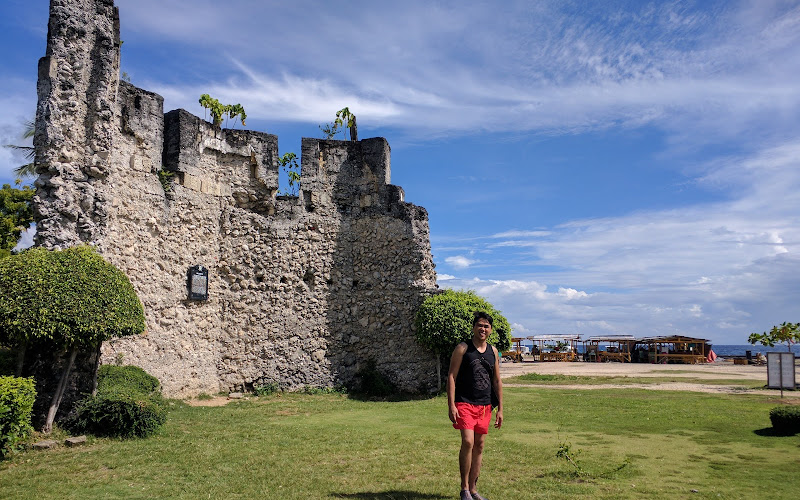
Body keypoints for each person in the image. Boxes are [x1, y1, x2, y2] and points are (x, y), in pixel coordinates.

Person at [447, 311, 503, 500]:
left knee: (479, 445)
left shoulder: (493, 351)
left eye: (486, 326)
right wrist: (451, 405)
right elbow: (451, 377)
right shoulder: (463, 348)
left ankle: (473, 489)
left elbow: (496, 380)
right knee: (468, 442)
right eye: (480, 325)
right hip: (464, 402)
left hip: (485, 405)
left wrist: (501, 409)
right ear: (473, 327)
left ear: (490, 330)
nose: (483, 329)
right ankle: (463, 488)